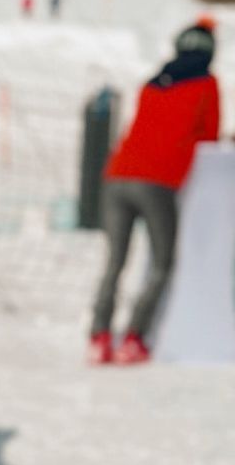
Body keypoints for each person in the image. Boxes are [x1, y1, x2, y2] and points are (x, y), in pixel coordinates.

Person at [88, 18, 221, 365]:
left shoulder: (154, 81)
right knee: (162, 263)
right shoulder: (206, 84)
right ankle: (134, 336)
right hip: (157, 181)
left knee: (115, 262)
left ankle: (99, 336)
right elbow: (210, 134)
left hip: (117, 175)